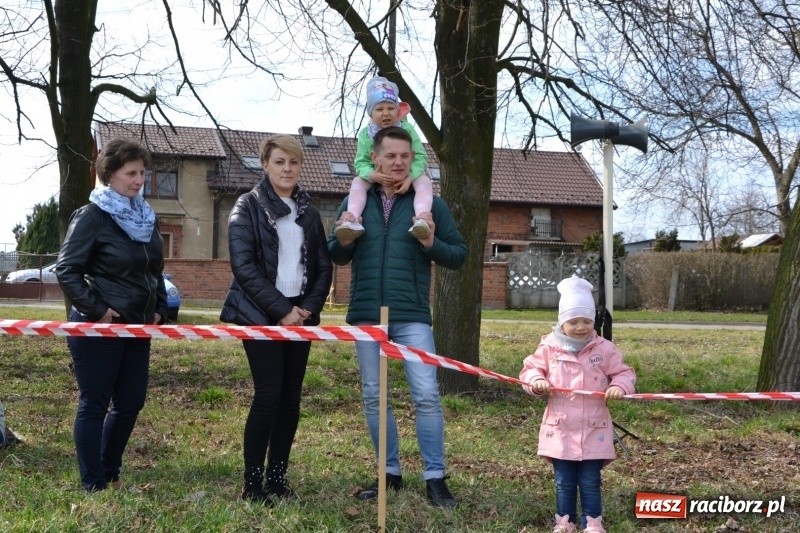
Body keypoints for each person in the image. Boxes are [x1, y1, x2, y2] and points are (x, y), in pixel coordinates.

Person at [328, 126, 467, 509]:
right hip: (367, 315)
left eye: (405, 156)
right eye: (390, 156)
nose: (398, 162)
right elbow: (334, 253)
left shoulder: (429, 202)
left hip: (412, 316)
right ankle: (388, 474)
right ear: (375, 158)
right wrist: (343, 241)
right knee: (375, 397)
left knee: (426, 395)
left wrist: (430, 243)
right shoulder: (357, 200)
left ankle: (435, 479)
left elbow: (458, 254)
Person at [220, 134, 332, 505]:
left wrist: (307, 310)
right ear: (265, 164)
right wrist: (281, 311)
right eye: (280, 162)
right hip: (261, 315)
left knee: (290, 400)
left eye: (293, 163)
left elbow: (322, 267)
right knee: (268, 396)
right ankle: (253, 485)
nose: (287, 169)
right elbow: (244, 267)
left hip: (300, 316)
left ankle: (278, 480)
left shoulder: (309, 212)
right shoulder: (246, 206)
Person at [55, 138, 168, 492]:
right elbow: (67, 269)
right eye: (131, 173)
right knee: (95, 402)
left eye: (143, 173)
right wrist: (97, 310)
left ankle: (110, 472)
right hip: (98, 328)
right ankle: (93, 483)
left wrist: (160, 308)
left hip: (138, 327)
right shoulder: (91, 215)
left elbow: (154, 271)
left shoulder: (147, 217)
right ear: (110, 174)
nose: (139, 180)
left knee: (132, 401)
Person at [519, 276, 636, 533]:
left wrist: (619, 386)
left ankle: (593, 522)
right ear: (562, 322)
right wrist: (537, 381)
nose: (581, 327)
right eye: (573, 322)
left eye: (586, 321)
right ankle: (565, 522)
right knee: (564, 481)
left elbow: (624, 373)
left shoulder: (603, 349)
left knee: (591, 480)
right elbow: (529, 370)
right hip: (560, 428)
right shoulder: (549, 348)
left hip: (594, 428)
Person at [334, 76, 434, 242]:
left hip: (407, 175)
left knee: (425, 182)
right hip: (375, 176)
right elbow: (361, 162)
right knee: (358, 182)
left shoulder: (407, 129)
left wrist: (410, 177)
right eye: (380, 109)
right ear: (371, 113)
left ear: (398, 110)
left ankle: (422, 219)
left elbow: (420, 156)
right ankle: (351, 219)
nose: (386, 113)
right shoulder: (366, 135)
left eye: (390, 108)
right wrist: (372, 175)